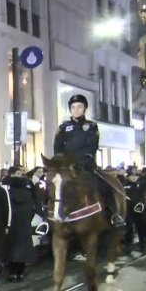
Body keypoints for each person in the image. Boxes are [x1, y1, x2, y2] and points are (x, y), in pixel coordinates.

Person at [53, 94, 125, 227]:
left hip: (85, 166)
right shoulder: (63, 127)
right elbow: (57, 146)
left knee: (104, 185)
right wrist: (59, 161)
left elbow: (92, 145)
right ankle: (48, 220)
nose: (76, 109)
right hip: (66, 167)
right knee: (52, 187)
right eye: (73, 107)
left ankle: (114, 214)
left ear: (84, 109)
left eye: (79, 107)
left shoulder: (91, 126)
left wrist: (86, 159)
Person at [1, 166, 39, 281]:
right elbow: (33, 209)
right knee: (23, 250)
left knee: (12, 249)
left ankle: (12, 273)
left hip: (12, 226)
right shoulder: (27, 195)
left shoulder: (8, 194)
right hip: (25, 225)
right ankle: (20, 273)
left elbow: (5, 210)